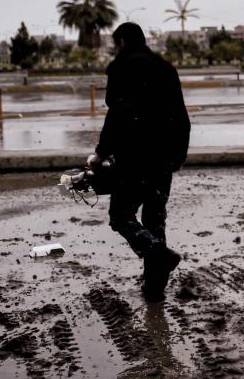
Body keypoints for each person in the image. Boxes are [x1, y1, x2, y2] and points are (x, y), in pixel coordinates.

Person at [90, 22, 191, 302]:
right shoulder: (166, 69)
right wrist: (179, 156)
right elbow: (181, 117)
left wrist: (101, 151)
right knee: (155, 220)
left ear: (121, 41)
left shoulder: (122, 67)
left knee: (121, 216)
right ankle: (154, 288)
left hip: (132, 157)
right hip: (163, 158)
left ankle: (159, 254)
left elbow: (118, 114)